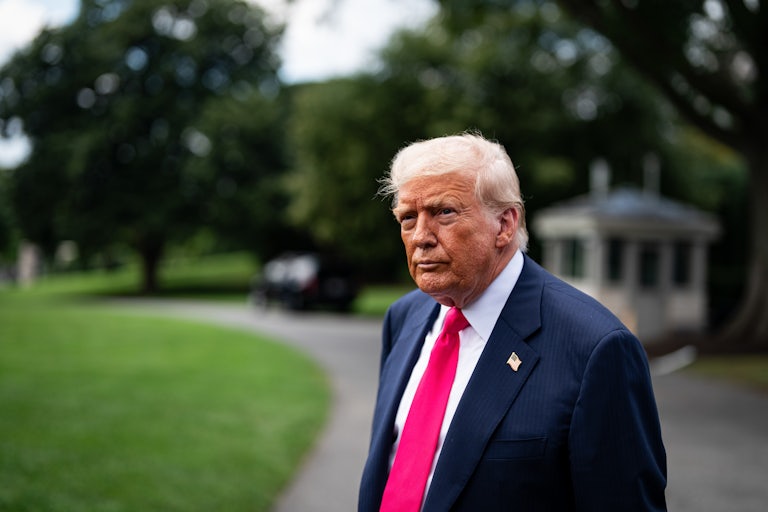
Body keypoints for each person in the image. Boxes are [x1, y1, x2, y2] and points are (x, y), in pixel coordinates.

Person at [358, 133, 667, 511]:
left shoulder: (596, 348)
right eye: (408, 218)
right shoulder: (404, 317)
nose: (421, 237)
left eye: (444, 212)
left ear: (504, 224)